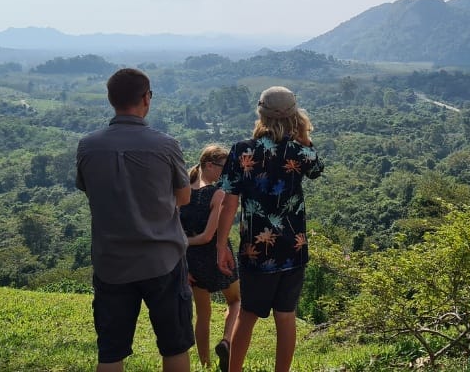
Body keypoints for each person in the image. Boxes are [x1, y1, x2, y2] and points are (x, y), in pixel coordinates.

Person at [75, 68, 194, 372]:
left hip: (111, 262)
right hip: (162, 259)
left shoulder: (88, 146)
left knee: (111, 352)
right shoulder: (166, 145)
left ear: (111, 99)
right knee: (175, 345)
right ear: (146, 98)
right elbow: (184, 198)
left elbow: (91, 192)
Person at [216, 86, 324, 372]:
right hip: (294, 248)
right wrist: (303, 136)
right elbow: (316, 170)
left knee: (248, 314)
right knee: (286, 317)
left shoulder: (242, 151)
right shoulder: (301, 151)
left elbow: (229, 203)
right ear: (294, 115)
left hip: (255, 250)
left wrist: (220, 246)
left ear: (260, 113)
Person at [180, 144, 241, 372]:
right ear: (208, 165)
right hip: (218, 254)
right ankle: (226, 341)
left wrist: (182, 246)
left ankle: (205, 364)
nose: (225, 173)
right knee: (236, 301)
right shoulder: (217, 194)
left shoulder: (183, 190)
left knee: (202, 314)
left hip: (191, 261)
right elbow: (208, 236)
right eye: (223, 168)